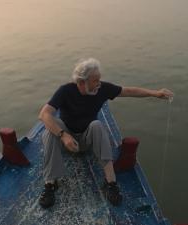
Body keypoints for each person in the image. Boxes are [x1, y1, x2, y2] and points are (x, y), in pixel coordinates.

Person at [38, 58, 174, 208]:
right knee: (50, 130)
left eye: (99, 79)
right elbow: (44, 114)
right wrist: (63, 135)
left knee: (97, 125)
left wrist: (155, 93)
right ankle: (50, 184)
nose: (99, 83)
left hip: (85, 140)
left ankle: (111, 182)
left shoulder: (102, 89)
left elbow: (128, 91)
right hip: (65, 141)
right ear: (82, 82)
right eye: (95, 80)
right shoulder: (65, 91)